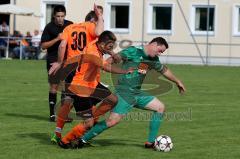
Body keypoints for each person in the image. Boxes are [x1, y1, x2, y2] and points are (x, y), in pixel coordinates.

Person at [71, 37, 186, 149]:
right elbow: (115, 58)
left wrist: (178, 81)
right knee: (111, 121)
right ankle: (82, 140)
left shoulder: (153, 59)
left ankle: (150, 142)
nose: (160, 54)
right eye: (160, 50)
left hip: (136, 93)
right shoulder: (133, 51)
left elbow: (164, 70)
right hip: (124, 93)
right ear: (154, 44)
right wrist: (106, 64)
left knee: (160, 107)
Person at [56, 31, 133, 149]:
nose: (111, 48)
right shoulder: (93, 52)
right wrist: (125, 71)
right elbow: (106, 67)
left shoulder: (97, 43)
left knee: (113, 100)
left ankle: (92, 117)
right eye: (110, 46)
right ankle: (65, 141)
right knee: (89, 124)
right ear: (102, 45)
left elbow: (103, 43)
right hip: (81, 88)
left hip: (93, 84)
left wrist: (112, 52)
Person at [49, 5, 105, 143]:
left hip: (69, 68)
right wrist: (100, 17)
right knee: (95, 100)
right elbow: (99, 32)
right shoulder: (90, 27)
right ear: (92, 20)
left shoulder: (70, 28)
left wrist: (60, 63)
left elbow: (62, 45)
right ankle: (83, 135)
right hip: (84, 70)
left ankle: (57, 133)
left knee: (67, 102)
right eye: (97, 20)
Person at [40, 5, 73, 122]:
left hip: (67, 60)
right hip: (53, 60)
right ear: (54, 16)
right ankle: (52, 114)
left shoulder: (70, 25)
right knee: (54, 86)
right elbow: (43, 46)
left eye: (62, 16)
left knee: (66, 88)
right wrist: (56, 39)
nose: (60, 19)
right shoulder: (49, 27)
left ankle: (63, 115)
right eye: (58, 16)